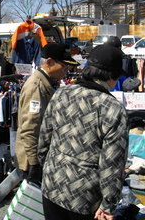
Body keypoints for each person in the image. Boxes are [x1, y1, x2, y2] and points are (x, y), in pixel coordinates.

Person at [37, 44, 128, 220]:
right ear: (112, 76)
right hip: (85, 198)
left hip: (52, 185)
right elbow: (113, 163)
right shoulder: (112, 108)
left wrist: (48, 169)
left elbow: (44, 140)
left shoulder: (62, 93)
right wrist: (109, 204)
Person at [15, 43, 79, 185]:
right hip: (33, 158)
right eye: (64, 66)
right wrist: (34, 163)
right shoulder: (36, 86)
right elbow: (30, 128)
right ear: (49, 62)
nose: (66, 71)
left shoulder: (46, 83)